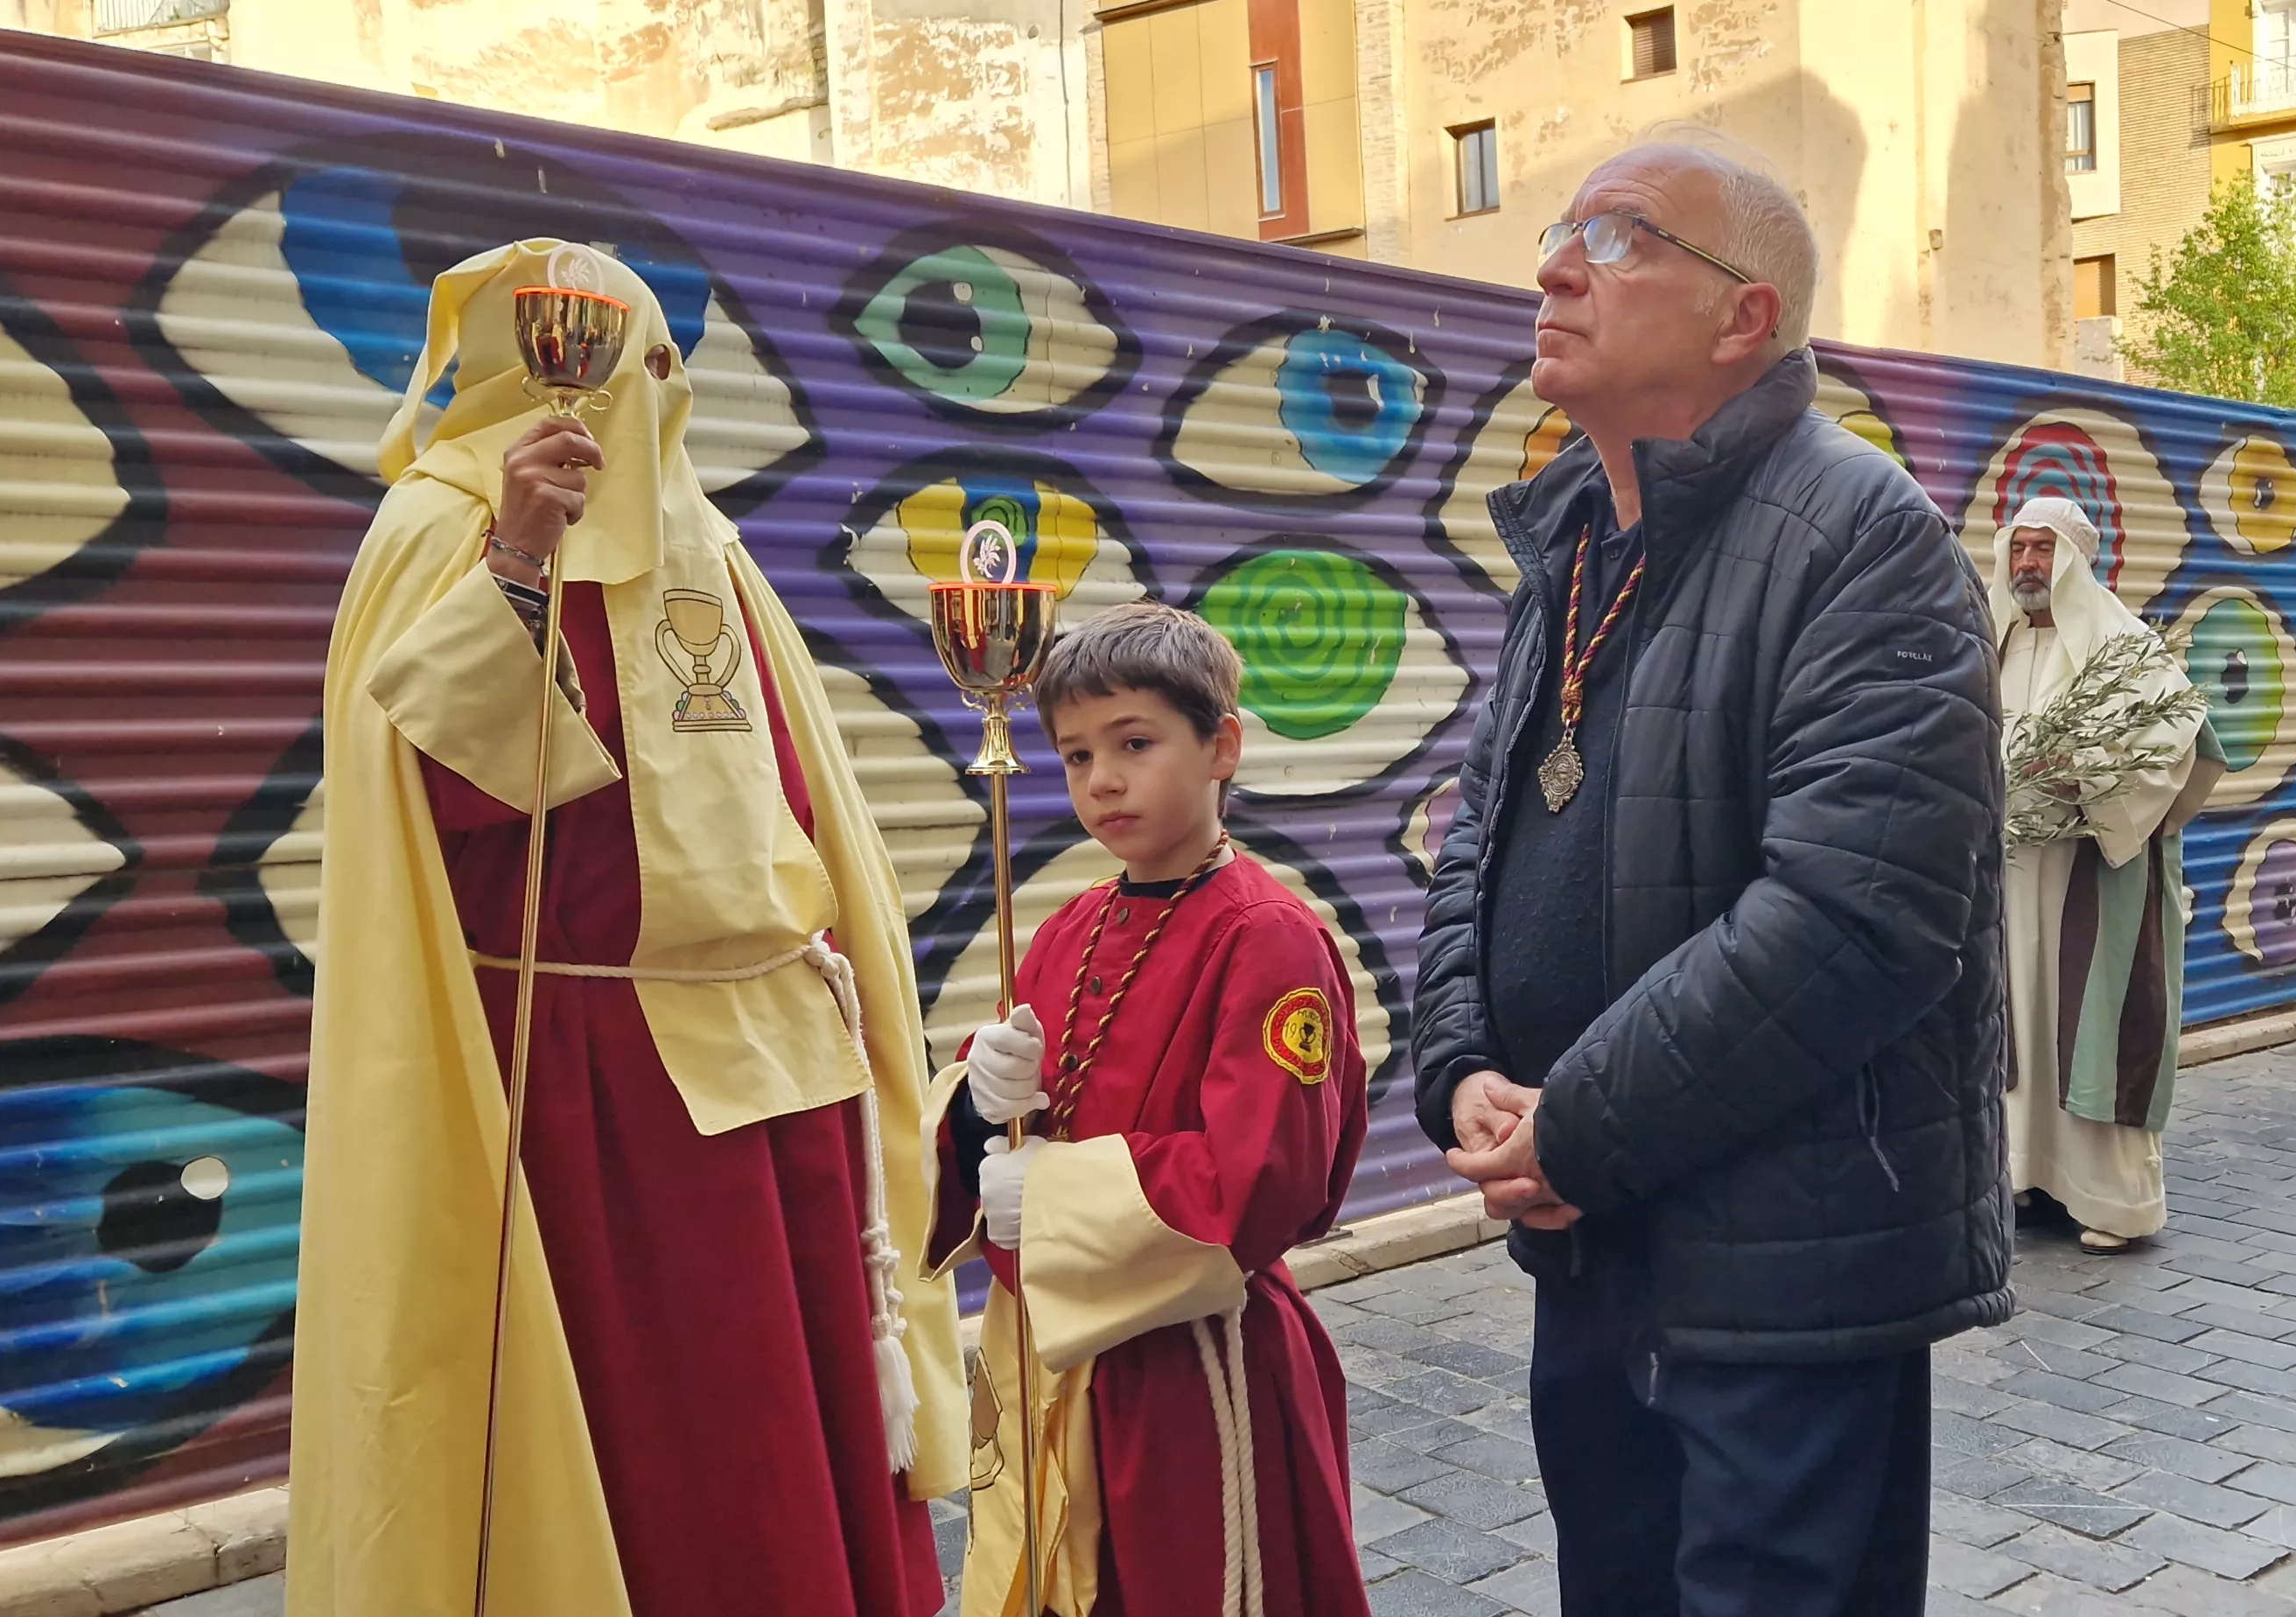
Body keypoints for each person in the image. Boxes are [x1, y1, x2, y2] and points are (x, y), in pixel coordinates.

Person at [292, 239, 961, 1617]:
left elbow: (796, 793)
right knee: (679, 1448)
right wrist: (521, 570)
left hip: (784, 1056)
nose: (630, 391)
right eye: (587, 351)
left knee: (805, 1426)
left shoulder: (707, 536)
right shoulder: (437, 525)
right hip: (588, 1071)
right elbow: (445, 802)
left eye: (648, 357)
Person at [1410, 132, 2008, 1617]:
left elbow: (1860, 913)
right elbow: (1479, 826)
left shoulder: (1861, 532)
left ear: (1746, 317)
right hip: (1595, 1239)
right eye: (1560, 229)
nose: (1554, 264)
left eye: (1618, 241)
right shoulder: (1575, 546)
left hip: (1784, 1272)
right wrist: (1465, 1060)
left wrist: (1580, 1125)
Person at [934, 603, 1369, 1617]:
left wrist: (1043, 1196)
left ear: (1221, 745)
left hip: (1194, 1367)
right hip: (1058, 1361)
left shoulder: (1268, 939)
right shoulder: (1072, 923)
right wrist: (978, 1105)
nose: (1103, 781)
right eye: (1077, 754)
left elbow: (1263, 1181)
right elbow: (1010, 1123)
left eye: (1135, 743)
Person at [1989, 496, 2207, 1252]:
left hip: (2093, 871)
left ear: (2076, 559)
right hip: (2013, 873)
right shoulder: (1995, 641)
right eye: (2018, 549)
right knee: (2017, 1018)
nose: (2026, 565)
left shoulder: (2128, 651)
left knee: (2092, 1023)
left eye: (2043, 551)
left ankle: (2110, 1201)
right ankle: (2019, 1174)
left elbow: (2179, 741)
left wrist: (2080, 771)